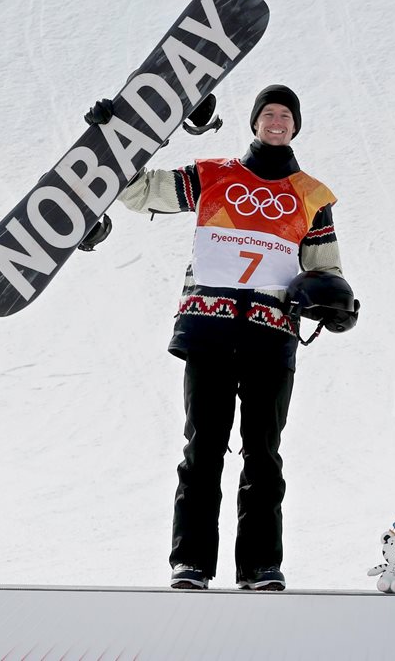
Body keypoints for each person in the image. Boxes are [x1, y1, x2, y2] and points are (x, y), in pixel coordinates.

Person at [83, 85, 354, 590]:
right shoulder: (214, 175)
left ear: (295, 126)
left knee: (263, 454)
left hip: (271, 337)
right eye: (268, 113)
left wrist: (337, 307)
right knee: (202, 449)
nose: (276, 121)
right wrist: (109, 139)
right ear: (254, 123)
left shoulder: (312, 196)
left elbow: (327, 269)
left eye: (285, 115)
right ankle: (191, 564)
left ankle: (260, 567)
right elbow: (139, 192)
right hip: (208, 331)